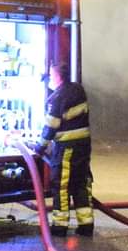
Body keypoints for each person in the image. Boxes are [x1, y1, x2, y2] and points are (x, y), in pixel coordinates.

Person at [35, 62, 93, 236]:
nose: (50, 78)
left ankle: (60, 226)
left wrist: (40, 146)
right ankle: (86, 224)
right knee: (81, 183)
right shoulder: (77, 90)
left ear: (58, 76)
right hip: (83, 146)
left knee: (61, 184)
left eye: (51, 75)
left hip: (67, 148)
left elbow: (51, 126)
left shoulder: (57, 98)